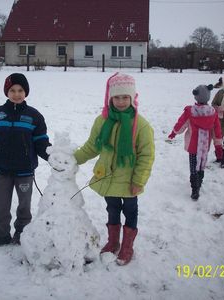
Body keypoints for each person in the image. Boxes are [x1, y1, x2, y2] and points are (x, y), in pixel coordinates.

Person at [74, 73, 155, 266]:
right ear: (110, 98)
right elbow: (92, 146)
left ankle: (127, 246)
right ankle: (112, 242)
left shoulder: (141, 125)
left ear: (132, 98)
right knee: (112, 209)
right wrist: (72, 159)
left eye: (125, 97)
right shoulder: (102, 121)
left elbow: (146, 156)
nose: (120, 101)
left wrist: (138, 181)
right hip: (108, 178)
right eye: (117, 97)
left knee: (130, 212)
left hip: (128, 182)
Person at [0, 73, 50, 249]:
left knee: (24, 206)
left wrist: (53, 157)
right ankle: (1, 235)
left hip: (25, 171)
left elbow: (41, 142)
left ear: (25, 92)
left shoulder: (34, 116)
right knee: (1, 205)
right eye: (12, 90)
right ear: (6, 92)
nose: (16, 94)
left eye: (20, 90)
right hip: (1, 170)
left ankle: (22, 234)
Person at [168, 84, 222, 200]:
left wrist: (174, 132)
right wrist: (218, 145)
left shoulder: (190, 111)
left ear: (196, 96)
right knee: (201, 163)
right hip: (205, 145)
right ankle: (199, 181)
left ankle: (195, 188)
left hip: (193, 145)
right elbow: (217, 130)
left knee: (193, 166)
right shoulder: (213, 112)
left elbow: (181, 124)